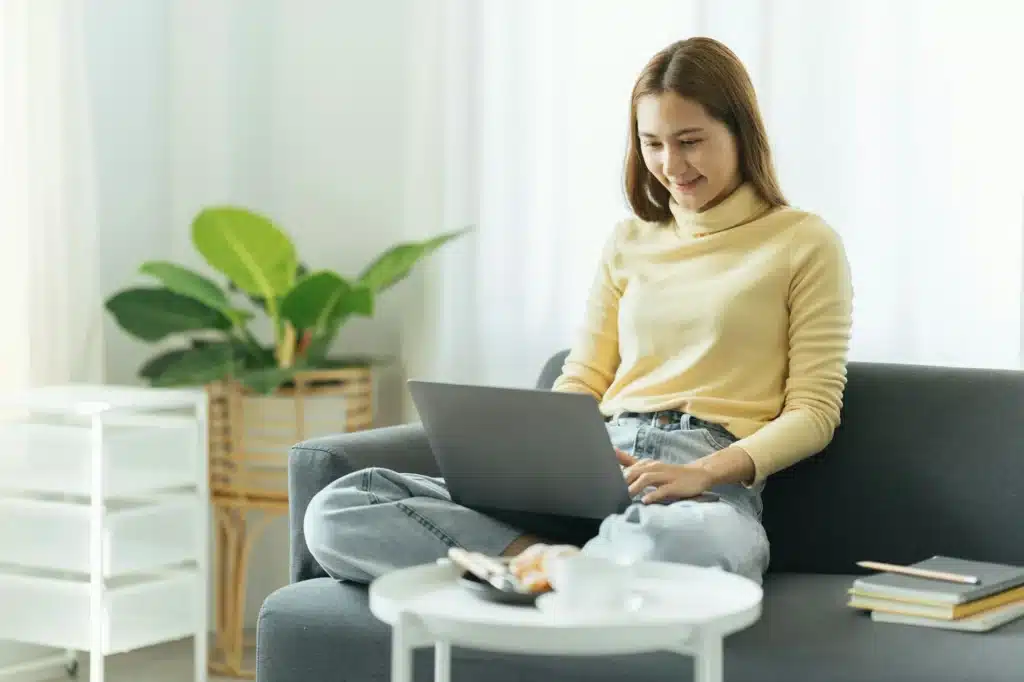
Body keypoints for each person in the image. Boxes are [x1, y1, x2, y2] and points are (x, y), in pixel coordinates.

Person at [303, 36, 853, 587]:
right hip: (597, 465)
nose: (670, 164)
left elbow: (813, 413)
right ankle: (555, 566)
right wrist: (548, 460)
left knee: (688, 544)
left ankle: (545, 573)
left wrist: (700, 472)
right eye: (652, 143)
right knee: (339, 508)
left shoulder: (804, 242)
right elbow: (584, 377)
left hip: (701, 488)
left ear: (740, 132)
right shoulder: (628, 240)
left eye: (690, 141)